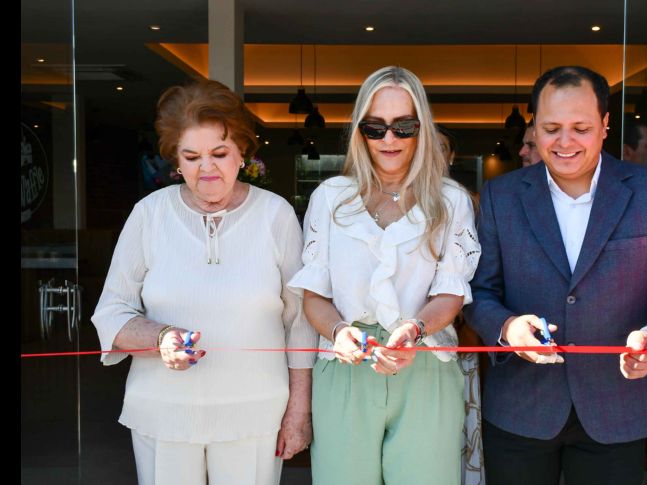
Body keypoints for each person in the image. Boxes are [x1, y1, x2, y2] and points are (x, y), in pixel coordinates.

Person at [464, 65, 647, 485]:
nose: (564, 142)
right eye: (551, 128)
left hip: (617, 406)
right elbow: (479, 292)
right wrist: (507, 327)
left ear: (605, 126)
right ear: (534, 128)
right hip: (522, 408)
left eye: (580, 127)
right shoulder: (501, 196)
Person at [91, 79, 317, 485]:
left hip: (255, 411)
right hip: (163, 411)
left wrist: (299, 411)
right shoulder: (150, 214)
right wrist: (159, 337)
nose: (206, 168)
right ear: (176, 159)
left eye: (219, 153)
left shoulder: (276, 215)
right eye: (191, 156)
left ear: (242, 152)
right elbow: (111, 311)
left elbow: (300, 321)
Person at [288, 66, 481, 485]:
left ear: (422, 129)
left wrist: (414, 329)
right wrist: (338, 331)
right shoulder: (330, 198)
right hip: (345, 367)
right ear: (360, 131)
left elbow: (452, 291)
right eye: (375, 127)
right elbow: (314, 294)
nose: (389, 139)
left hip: (427, 361)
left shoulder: (450, 201)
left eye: (403, 126)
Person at [437, 123, 487, 485]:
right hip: (410, 344)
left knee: (460, 426)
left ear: (451, 156)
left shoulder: (469, 202)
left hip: (460, 332)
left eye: (441, 149)